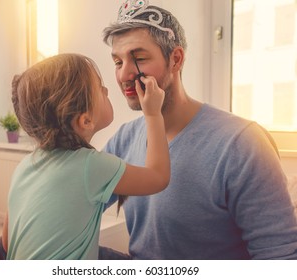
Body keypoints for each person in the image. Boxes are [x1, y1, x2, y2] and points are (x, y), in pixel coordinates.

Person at [98, 0, 297, 259]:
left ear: (176, 59)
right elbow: (76, 207)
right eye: (117, 62)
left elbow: (279, 257)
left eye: (139, 59)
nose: (124, 75)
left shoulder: (243, 143)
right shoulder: (124, 139)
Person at [0, 53, 170, 260]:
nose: (107, 89)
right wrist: (152, 114)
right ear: (85, 121)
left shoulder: (24, 165)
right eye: (99, 87)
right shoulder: (91, 165)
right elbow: (158, 177)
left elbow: (6, 243)